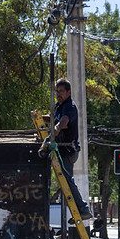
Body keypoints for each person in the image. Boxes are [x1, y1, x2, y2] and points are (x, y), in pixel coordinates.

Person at [53, 78, 91, 218]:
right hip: (61, 150)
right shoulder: (58, 106)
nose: (58, 94)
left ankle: (83, 209)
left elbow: (64, 120)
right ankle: (77, 211)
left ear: (69, 92)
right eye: (57, 91)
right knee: (65, 181)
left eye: (61, 91)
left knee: (68, 181)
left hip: (68, 152)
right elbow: (54, 118)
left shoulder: (70, 106)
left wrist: (57, 127)